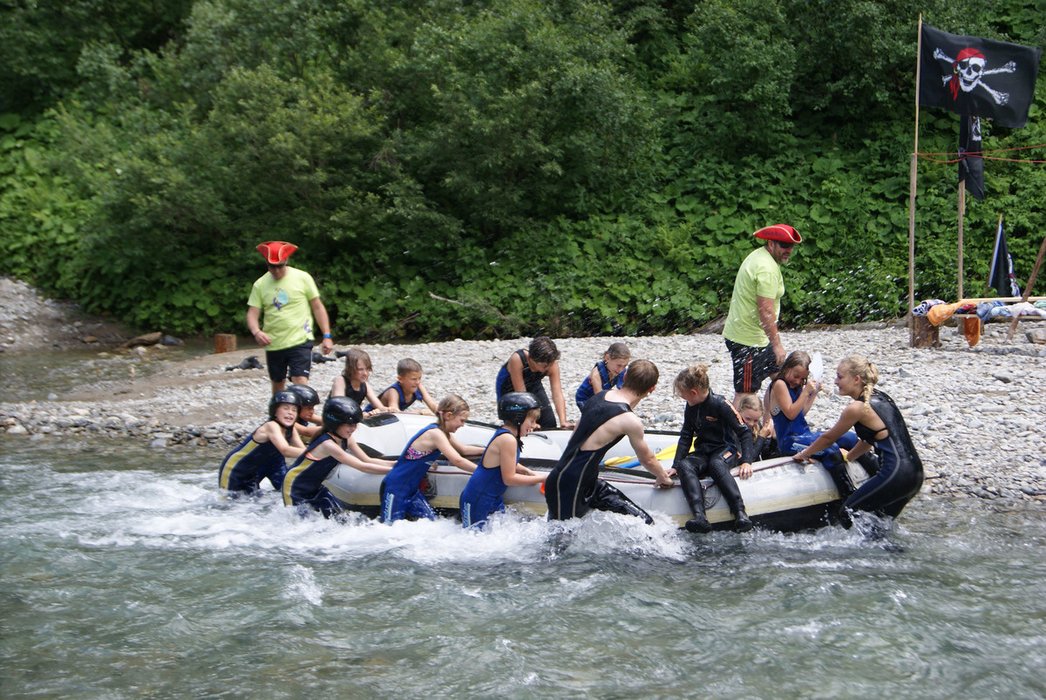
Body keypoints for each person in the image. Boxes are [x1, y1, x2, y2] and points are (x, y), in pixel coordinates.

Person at [793, 355, 924, 525]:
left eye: (840, 377)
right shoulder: (880, 397)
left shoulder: (856, 408)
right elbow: (869, 440)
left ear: (856, 379)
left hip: (896, 473)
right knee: (880, 522)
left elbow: (829, 438)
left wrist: (804, 454)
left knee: (847, 513)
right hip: (915, 474)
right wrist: (849, 457)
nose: (835, 381)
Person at [544, 359, 674, 523]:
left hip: (588, 482)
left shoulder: (600, 396)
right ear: (652, 389)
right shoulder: (630, 421)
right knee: (561, 541)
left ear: (625, 375)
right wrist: (663, 477)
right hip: (569, 486)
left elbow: (575, 436)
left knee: (644, 522)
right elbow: (647, 459)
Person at [722, 224, 803, 406]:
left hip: (756, 337)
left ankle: (771, 424)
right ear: (770, 243)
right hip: (748, 341)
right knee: (746, 393)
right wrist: (777, 345)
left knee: (780, 378)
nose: (788, 250)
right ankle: (738, 434)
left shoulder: (760, 256)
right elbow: (766, 311)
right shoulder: (766, 268)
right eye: (783, 245)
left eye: (791, 246)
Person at [672, 364, 756, 533]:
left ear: (694, 392)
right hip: (704, 450)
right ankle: (700, 517)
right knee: (685, 466)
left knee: (716, 464)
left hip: (727, 448)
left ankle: (740, 512)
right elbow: (686, 436)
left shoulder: (721, 404)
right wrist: (676, 465)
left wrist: (747, 461)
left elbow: (744, 433)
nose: (683, 399)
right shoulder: (691, 407)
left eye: (684, 395)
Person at [766, 351, 859, 499]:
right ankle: (848, 497)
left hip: (804, 434)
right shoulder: (779, 384)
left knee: (850, 438)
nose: (797, 381)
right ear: (786, 368)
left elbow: (800, 413)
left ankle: (875, 477)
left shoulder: (796, 387)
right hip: (790, 441)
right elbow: (790, 413)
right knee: (830, 449)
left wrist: (813, 393)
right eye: (796, 376)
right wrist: (805, 392)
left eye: (802, 378)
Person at [246, 240, 335, 394]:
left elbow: (317, 306)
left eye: (279, 266)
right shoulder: (260, 285)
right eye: (271, 266)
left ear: (286, 261)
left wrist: (327, 335)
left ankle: (303, 416)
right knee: (278, 384)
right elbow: (252, 314)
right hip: (274, 342)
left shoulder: (303, 278)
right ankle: (278, 416)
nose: (276, 270)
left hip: (300, 338)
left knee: (300, 380)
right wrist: (257, 332)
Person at [380, 395, 485, 523]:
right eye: (462, 420)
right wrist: (482, 472)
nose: (463, 425)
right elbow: (457, 460)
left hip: (412, 490)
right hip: (395, 488)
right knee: (390, 526)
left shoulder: (444, 433)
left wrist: (488, 450)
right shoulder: (435, 434)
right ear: (448, 416)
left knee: (432, 524)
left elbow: (463, 450)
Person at [282, 397, 392, 518]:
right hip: (294, 486)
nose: (353, 429)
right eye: (349, 425)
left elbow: (367, 460)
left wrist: (400, 463)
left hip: (315, 486)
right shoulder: (328, 444)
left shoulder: (347, 438)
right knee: (298, 521)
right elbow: (362, 467)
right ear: (335, 423)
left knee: (337, 517)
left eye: (355, 425)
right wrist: (396, 471)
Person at [460, 392, 547, 529]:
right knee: (474, 539)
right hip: (477, 498)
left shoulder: (507, 435)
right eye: (531, 420)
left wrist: (527, 471)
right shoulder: (508, 439)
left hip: (492, 498)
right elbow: (509, 478)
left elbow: (508, 462)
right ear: (518, 418)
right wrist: (541, 479)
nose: (535, 425)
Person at [219, 390, 305, 495]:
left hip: (254, 471)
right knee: (229, 503)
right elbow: (285, 450)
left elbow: (303, 451)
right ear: (275, 411)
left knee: (253, 502)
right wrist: (313, 453)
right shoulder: (271, 426)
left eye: (294, 410)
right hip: (234, 469)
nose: (290, 412)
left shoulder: (291, 429)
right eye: (285, 408)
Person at [495, 336, 574, 430]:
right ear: (532, 359)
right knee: (519, 424)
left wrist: (563, 421)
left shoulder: (552, 364)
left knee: (549, 422)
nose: (548, 368)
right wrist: (532, 422)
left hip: (533, 384)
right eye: (545, 366)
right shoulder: (518, 359)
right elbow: (521, 395)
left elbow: (557, 394)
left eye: (550, 364)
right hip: (510, 388)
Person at [330, 347, 389, 419]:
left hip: (351, 419)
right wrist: (360, 415)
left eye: (367, 369)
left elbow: (381, 407)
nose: (365, 373)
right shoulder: (341, 381)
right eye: (360, 369)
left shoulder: (365, 385)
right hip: (334, 420)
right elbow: (338, 406)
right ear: (350, 369)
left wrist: (387, 410)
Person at [575, 341, 630, 411]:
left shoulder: (620, 370)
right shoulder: (596, 374)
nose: (621, 369)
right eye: (618, 365)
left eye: (624, 366)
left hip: (604, 392)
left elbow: (623, 388)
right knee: (592, 415)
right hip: (585, 398)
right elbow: (599, 397)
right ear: (607, 358)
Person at [737, 394, 777, 460]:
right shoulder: (733, 429)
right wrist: (761, 437)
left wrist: (772, 439)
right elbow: (748, 459)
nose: (751, 424)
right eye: (748, 419)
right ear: (739, 411)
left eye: (756, 420)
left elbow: (766, 457)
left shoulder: (757, 426)